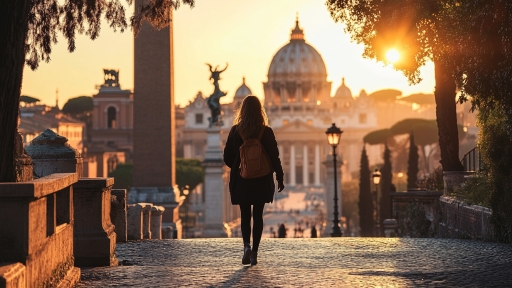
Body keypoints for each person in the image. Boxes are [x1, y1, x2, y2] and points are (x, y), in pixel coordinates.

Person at [223, 95, 285, 266]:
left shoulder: (235, 131)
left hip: (243, 180)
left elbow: (227, 157)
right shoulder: (266, 131)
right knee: (258, 215)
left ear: (242, 111)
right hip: (262, 178)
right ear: (260, 111)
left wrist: (239, 166)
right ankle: (255, 253)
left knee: (245, 215)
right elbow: (274, 157)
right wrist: (279, 176)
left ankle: (246, 246)